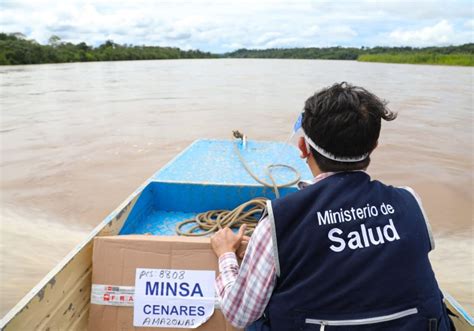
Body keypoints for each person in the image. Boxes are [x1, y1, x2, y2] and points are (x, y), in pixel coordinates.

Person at [210, 82, 453, 331]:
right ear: (374, 147)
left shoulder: (278, 222)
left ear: (303, 148)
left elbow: (239, 315)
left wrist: (226, 255)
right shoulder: (409, 201)